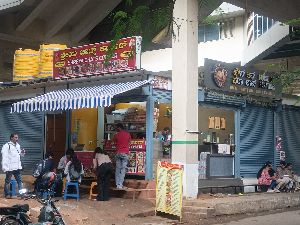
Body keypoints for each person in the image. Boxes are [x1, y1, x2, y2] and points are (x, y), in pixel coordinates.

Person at [1, 133, 24, 198]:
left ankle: (22, 194)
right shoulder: (7, 146)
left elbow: (20, 155)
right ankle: (7, 194)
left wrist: (22, 152)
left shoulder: (18, 145)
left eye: (17, 137)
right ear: (11, 138)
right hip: (10, 168)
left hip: (17, 167)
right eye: (16, 137)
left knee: (19, 181)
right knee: (7, 181)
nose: (17, 139)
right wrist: (5, 167)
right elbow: (4, 157)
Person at [112, 123, 131, 189]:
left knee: (117, 169)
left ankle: (117, 184)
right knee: (123, 169)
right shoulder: (128, 134)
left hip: (118, 153)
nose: (116, 129)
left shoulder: (116, 135)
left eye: (116, 128)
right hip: (125, 153)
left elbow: (114, 143)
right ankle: (120, 184)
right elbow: (129, 142)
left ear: (119, 127)